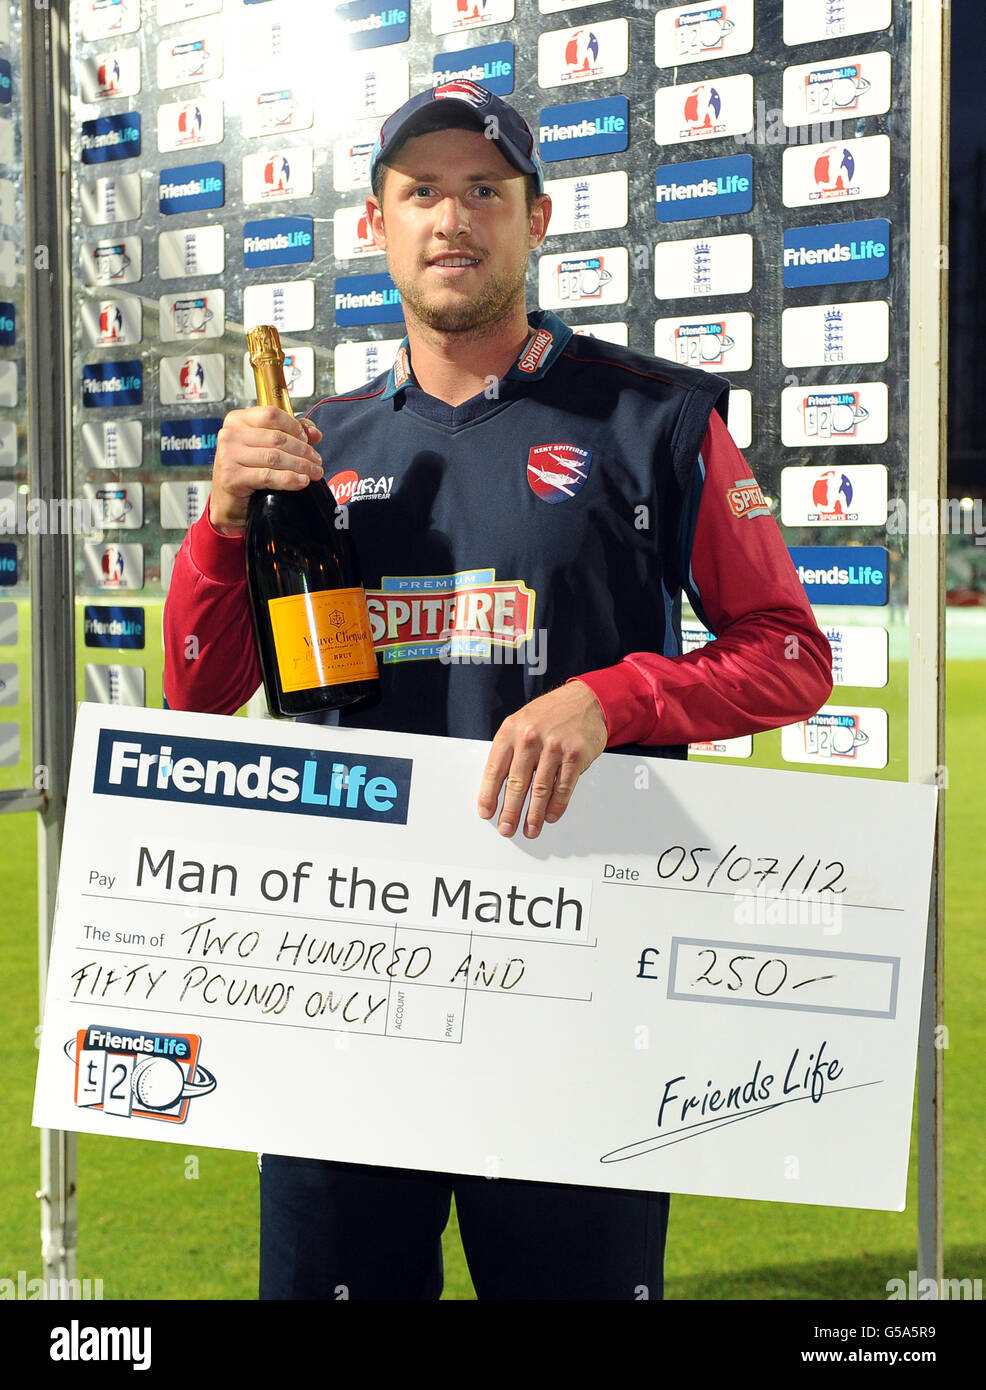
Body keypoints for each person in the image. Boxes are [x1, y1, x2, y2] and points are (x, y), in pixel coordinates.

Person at [163, 83, 833, 1300]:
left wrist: (617, 697)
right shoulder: (312, 447)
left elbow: (789, 653)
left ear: (538, 217)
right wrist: (218, 526)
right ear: (377, 224)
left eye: (485, 190)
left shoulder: (654, 418)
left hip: (571, 997)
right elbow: (200, 698)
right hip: (342, 996)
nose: (452, 218)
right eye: (422, 191)